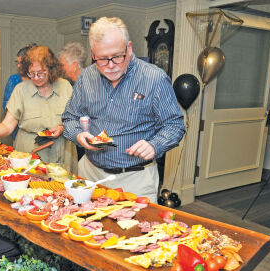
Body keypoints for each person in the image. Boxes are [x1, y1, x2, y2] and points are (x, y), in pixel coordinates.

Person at [62, 17, 185, 202]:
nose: (110, 66)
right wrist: (79, 135)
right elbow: (69, 118)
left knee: (133, 230)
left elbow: (175, 125)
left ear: (129, 47)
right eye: (102, 59)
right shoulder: (86, 77)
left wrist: (155, 144)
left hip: (135, 179)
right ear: (93, 53)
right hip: (90, 172)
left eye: (117, 57)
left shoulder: (154, 78)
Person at [0, 46, 77, 173]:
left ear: (51, 69)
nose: (36, 77)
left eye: (41, 73)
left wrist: (63, 128)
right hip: (28, 153)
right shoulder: (21, 90)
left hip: (61, 152)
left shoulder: (65, 86)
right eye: (32, 73)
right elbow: (7, 126)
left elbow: (75, 119)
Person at [59, 42, 87, 161]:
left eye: (63, 64)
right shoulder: (73, 84)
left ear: (74, 65)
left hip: (86, 141)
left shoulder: (86, 84)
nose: (61, 68)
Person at [2, 43, 37, 140]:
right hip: (19, 129)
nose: (18, 66)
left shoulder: (40, 80)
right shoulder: (14, 80)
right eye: (17, 62)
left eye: (21, 63)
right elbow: (6, 105)